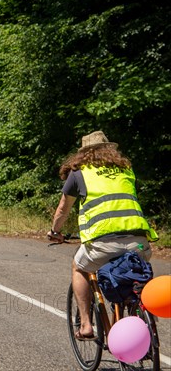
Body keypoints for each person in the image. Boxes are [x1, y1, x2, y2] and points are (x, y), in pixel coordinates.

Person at [47, 131, 157, 340]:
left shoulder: (79, 173)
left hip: (102, 243)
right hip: (139, 242)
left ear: (83, 154)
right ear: (110, 149)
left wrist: (55, 231)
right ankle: (133, 317)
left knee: (79, 267)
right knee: (127, 272)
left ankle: (87, 325)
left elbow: (63, 209)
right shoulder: (126, 170)